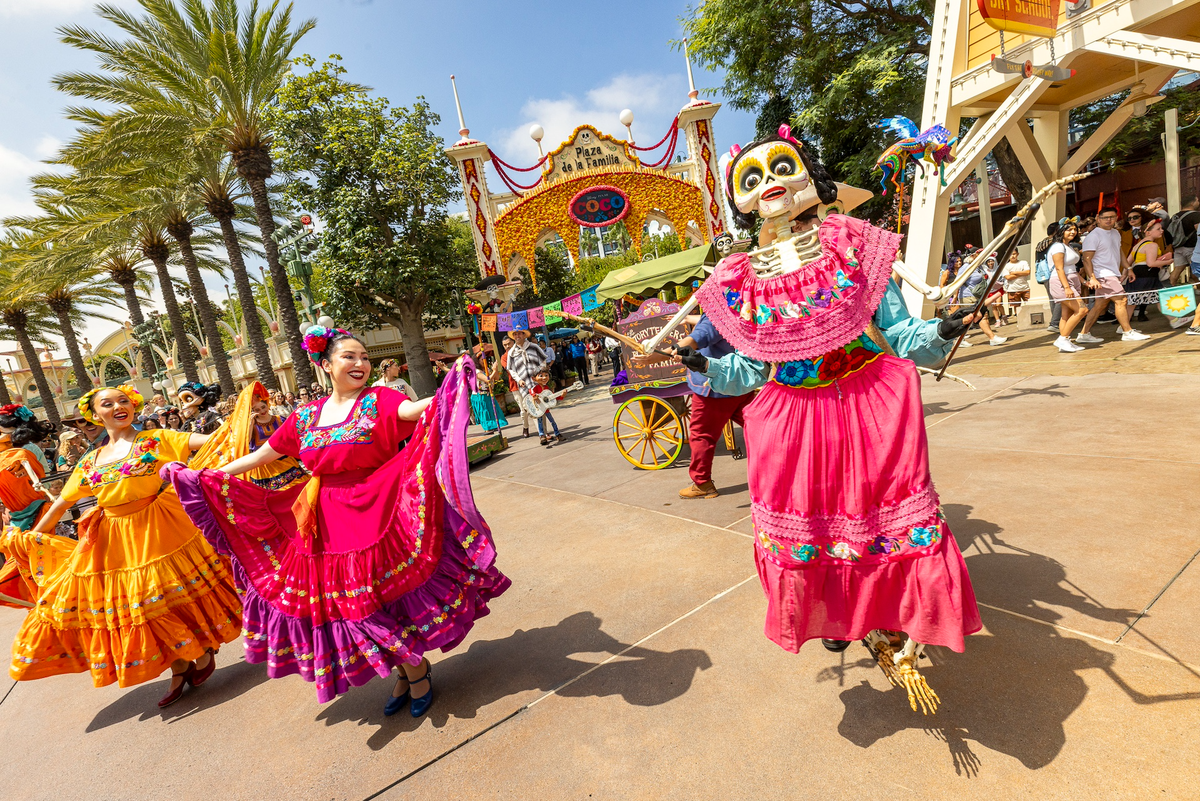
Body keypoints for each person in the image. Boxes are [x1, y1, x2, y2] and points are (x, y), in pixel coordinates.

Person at [677, 127, 979, 711]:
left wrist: (939, 332)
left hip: (868, 404)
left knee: (882, 521)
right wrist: (709, 371)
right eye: (753, 178)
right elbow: (751, 367)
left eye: (780, 168)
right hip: (793, 419)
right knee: (817, 531)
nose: (769, 185)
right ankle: (840, 613)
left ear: (808, 178)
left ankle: (889, 617)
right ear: (741, 199)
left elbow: (897, 330)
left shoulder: (849, 245)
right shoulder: (743, 276)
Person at [165, 326, 510, 715]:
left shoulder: (380, 399)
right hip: (324, 520)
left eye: (364, 357)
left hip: (378, 508)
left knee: (376, 596)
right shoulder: (304, 416)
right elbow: (262, 456)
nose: (361, 363)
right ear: (326, 365)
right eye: (350, 356)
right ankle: (408, 669)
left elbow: (414, 410)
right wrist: (204, 475)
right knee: (351, 604)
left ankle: (415, 672)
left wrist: (451, 385)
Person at [6, 385, 240, 709]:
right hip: (116, 540)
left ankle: (196, 653)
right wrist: (32, 534)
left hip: (160, 528)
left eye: (123, 400)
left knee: (164, 595)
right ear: (95, 414)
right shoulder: (91, 460)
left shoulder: (155, 439)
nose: (119, 406)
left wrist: (244, 420)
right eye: (108, 403)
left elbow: (212, 443)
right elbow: (61, 503)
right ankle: (180, 664)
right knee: (142, 606)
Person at [674, 313, 754, 500]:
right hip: (739, 381)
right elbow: (710, 324)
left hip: (714, 387)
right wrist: (690, 318)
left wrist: (665, 352)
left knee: (701, 435)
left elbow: (702, 334)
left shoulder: (717, 311)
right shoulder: (735, 306)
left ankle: (702, 483)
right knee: (760, 427)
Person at [1076, 207, 1150, 343]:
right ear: (1098, 218)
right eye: (1105, 218)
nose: (1109, 220)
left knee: (1100, 305)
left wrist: (1128, 268)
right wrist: (1092, 278)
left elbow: (1119, 251)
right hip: (1103, 274)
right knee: (1121, 300)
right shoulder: (1093, 236)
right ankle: (1127, 331)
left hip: (1111, 273)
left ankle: (1084, 334)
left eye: (1112, 217)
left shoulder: (1115, 233)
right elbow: (1086, 259)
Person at [1048, 222, 1089, 353]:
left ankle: (1065, 342)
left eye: (1074, 229)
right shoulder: (1058, 246)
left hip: (1072, 280)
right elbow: (1059, 268)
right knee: (1082, 310)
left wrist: (1083, 282)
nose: (1073, 232)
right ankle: (1063, 338)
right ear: (1061, 231)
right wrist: (1066, 287)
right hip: (1062, 282)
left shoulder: (1068, 246)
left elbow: (1072, 268)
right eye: (1069, 230)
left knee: (1066, 315)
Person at [1126, 217, 1173, 323]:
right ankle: (1174, 320)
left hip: (1139, 274)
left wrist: (1124, 276)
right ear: (1148, 232)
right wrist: (1167, 262)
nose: (1162, 231)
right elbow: (1151, 263)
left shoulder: (1137, 246)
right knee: (1158, 299)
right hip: (1147, 275)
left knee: (1133, 302)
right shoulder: (1152, 245)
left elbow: (1128, 263)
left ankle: (1174, 320)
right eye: (1158, 229)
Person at [1035, 222, 1063, 332]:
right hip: (1054, 273)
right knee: (1061, 298)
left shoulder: (1040, 244)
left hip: (1044, 274)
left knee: (1053, 299)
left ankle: (1056, 322)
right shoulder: (1055, 244)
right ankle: (1055, 322)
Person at [1167, 195, 1200, 286]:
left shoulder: (1175, 216)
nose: (1198, 202)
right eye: (1197, 200)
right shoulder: (1196, 215)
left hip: (1178, 247)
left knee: (1177, 270)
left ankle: (1169, 291)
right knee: (1197, 270)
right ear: (1192, 203)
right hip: (1192, 248)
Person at [529, 368, 564, 445]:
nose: (544, 378)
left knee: (552, 422)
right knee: (540, 422)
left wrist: (561, 396)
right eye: (541, 376)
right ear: (534, 379)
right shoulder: (535, 388)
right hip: (540, 409)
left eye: (546, 375)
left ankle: (557, 434)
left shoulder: (547, 388)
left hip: (546, 409)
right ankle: (542, 436)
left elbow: (552, 396)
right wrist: (534, 395)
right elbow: (531, 391)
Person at [1003, 249, 1031, 318]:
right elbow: (1008, 277)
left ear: (1017, 254)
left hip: (1025, 288)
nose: (1012, 256)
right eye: (1010, 254)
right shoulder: (1006, 266)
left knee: (1030, 304)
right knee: (1016, 307)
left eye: (1014, 254)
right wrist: (1021, 273)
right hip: (1013, 289)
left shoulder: (1023, 262)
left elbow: (1027, 272)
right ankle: (1019, 320)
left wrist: (1014, 273)